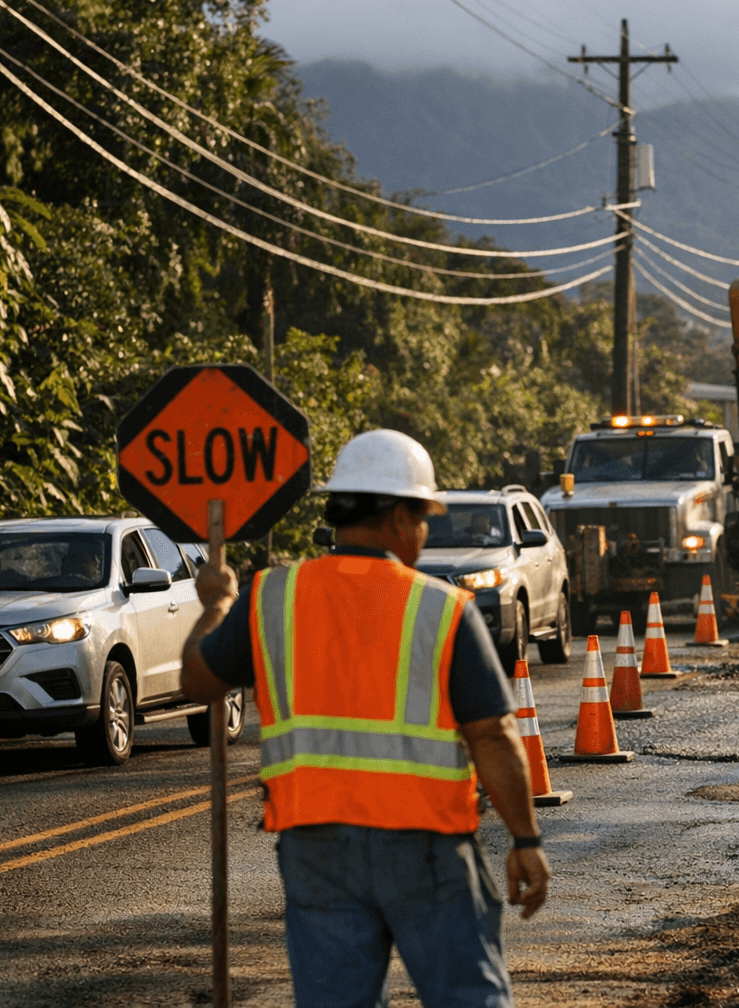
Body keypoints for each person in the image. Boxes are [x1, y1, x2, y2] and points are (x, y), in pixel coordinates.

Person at [180, 429, 550, 1008]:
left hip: (315, 847)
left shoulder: (269, 596)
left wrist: (217, 607)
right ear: (401, 518)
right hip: (425, 844)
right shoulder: (440, 606)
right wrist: (525, 839)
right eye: (425, 517)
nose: (426, 532)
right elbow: (494, 735)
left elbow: (197, 681)